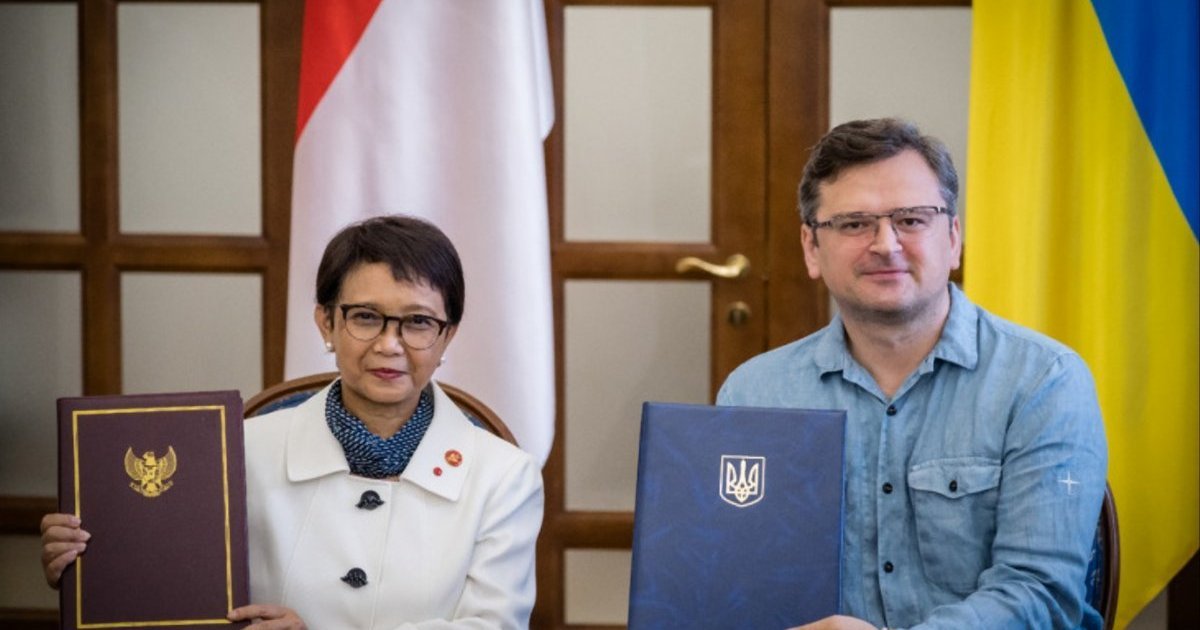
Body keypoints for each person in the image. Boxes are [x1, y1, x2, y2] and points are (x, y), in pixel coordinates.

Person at [41, 215, 544, 629]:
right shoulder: (234, 451)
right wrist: (94, 563)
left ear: (447, 335)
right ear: (326, 322)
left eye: (418, 322)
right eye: (366, 317)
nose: (390, 345)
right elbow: (169, 581)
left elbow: (494, 626)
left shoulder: (505, 477)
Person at [718, 119, 1108, 629]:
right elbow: (737, 583)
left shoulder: (1044, 382)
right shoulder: (754, 392)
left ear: (953, 238)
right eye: (854, 224)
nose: (886, 244)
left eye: (912, 219)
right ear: (812, 248)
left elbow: (1041, 594)